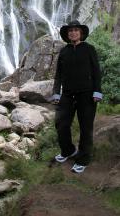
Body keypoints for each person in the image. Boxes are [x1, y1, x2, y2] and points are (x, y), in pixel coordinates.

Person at [52, 20, 102, 173]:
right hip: (67, 94)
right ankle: (68, 150)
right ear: (67, 35)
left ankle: (83, 159)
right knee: (61, 123)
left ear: (81, 33)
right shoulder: (64, 51)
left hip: (86, 95)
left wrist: (97, 91)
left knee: (85, 127)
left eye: (76, 30)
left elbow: (96, 72)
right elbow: (58, 74)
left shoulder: (89, 49)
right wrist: (56, 92)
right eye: (70, 31)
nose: (73, 32)